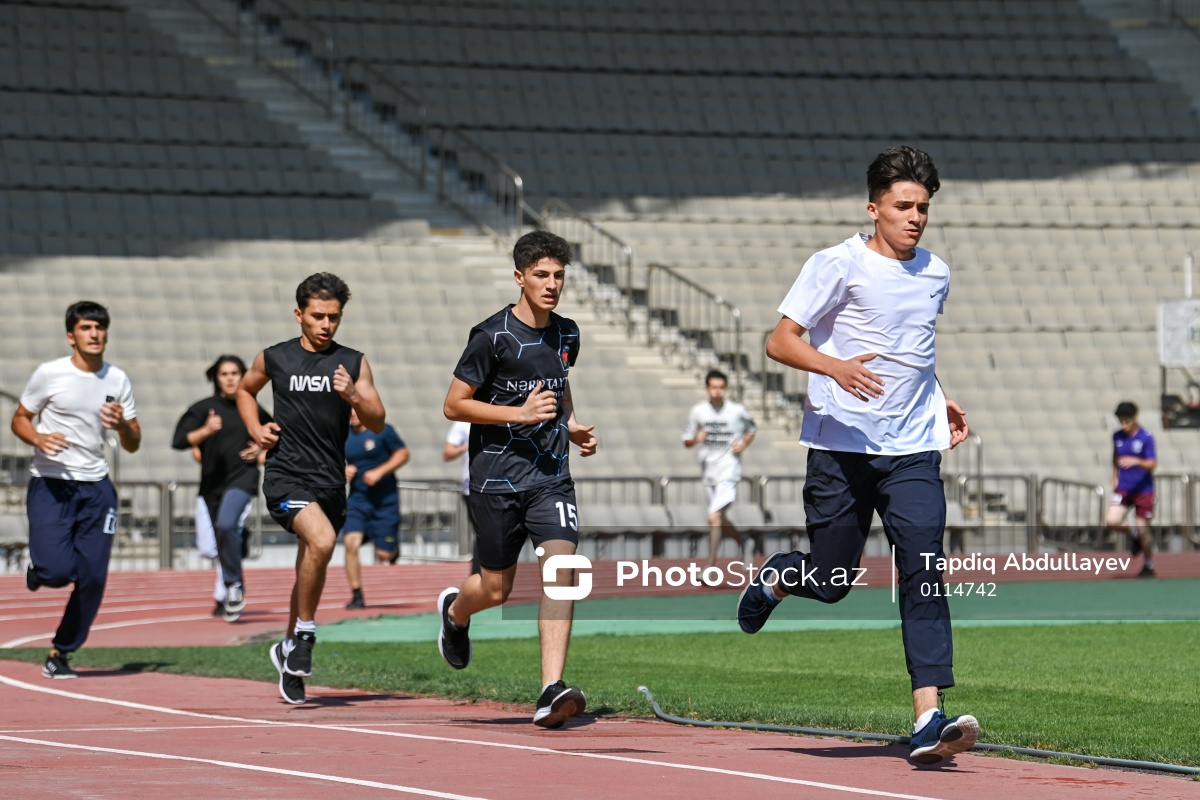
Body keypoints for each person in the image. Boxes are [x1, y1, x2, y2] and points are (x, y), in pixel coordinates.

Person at [737, 146, 979, 766]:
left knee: (923, 568)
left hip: (913, 449)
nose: (915, 217)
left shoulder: (936, 272)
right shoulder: (835, 264)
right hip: (840, 449)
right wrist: (834, 367)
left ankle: (928, 717)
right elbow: (779, 341)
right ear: (874, 209)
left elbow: (912, 351)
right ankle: (780, 577)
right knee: (832, 581)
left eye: (923, 207)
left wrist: (940, 398)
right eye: (903, 206)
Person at [436, 230, 598, 728]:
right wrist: (519, 414)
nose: (551, 284)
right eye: (541, 275)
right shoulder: (491, 336)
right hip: (496, 480)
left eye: (559, 276)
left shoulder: (567, 333)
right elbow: (453, 405)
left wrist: (571, 425)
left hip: (550, 476)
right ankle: (456, 613)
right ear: (519, 278)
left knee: (563, 569)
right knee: (496, 589)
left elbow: (559, 386)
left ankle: (551, 689)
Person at [238, 273, 385, 705]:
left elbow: (377, 420)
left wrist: (353, 396)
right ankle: (305, 633)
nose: (326, 325)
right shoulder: (275, 357)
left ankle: (288, 649)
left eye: (334, 317)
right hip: (286, 475)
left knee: (311, 561)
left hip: (330, 482)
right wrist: (256, 429)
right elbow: (245, 390)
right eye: (318, 316)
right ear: (299, 314)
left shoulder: (352, 363)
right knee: (321, 541)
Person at [11, 301, 141, 679]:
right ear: (71, 336)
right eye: (86, 328)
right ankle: (40, 570)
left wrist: (123, 425)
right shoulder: (49, 374)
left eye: (99, 327)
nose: (94, 334)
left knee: (93, 577)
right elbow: (19, 418)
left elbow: (133, 442)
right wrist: (38, 438)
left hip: (97, 488)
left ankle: (61, 652)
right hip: (51, 483)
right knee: (56, 571)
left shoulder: (117, 379)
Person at [172, 355, 270, 622]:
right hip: (212, 485)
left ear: (243, 376)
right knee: (210, 548)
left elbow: (276, 436)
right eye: (224, 374)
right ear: (216, 377)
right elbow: (179, 441)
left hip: (243, 480)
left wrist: (261, 448)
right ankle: (240, 540)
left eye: (235, 373)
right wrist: (205, 431)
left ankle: (233, 585)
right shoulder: (204, 409)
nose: (230, 379)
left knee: (226, 525)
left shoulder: (252, 408)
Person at [682, 368, 757, 568]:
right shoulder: (698, 411)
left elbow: (751, 429)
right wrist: (696, 439)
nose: (717, 391)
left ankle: (710, 565)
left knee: (713, 516)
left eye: (721, 387)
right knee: (719, 518)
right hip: (709, 470)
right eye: (714, 387)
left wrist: (743, 444)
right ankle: (744, 542)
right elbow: (687, 440)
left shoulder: (737, 410)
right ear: (707, 388)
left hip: (729, 469)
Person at [342, 408, 409, 609]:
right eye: (348, 410)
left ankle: (390, 548)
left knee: (384, 555)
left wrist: (380, 472)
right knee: (350, 543)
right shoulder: (342, 435)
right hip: (358, 501)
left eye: (356, 409)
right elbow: (331, 461)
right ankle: (357, 595)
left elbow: (403, 454)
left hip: (385, 502)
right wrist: (343, 470)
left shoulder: (382, 430)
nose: (352, 414)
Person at [1106, 401, 1156, 578]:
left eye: (1127, 421)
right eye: (1121, 421)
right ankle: (1133, 533)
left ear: (1135, 418)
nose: (1124, 425)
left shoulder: (1146, 437)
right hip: (1124, 488)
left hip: (1143, 489)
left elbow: (1152, 464)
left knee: (1143, 529)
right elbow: (1115, 456)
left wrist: (1136, 461)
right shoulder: (1117, 436)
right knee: (1111, 520)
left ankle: (1148, 565)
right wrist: (1115, 476)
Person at [443, 419, 479, 574]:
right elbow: (448, 453)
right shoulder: (463, 423)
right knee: (484, 533)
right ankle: (478, 576)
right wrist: (469, 445)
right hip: (472, 487)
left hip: (504, 484)